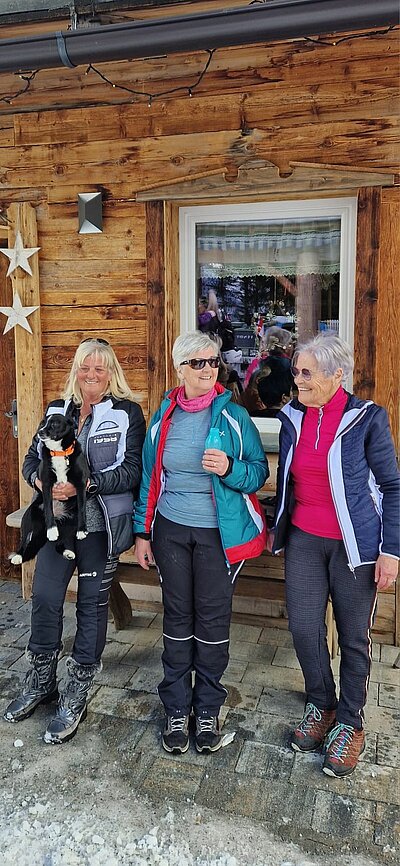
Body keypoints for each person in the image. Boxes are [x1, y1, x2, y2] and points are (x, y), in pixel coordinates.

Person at [4, 338, 146, 743]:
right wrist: (39, 480)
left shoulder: (126, 413)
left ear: (111, 372)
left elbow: (133, 470)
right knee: (46, 596)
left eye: (100, 368)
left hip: (100, 526)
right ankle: (42, 679)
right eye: (86, 366)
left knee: (91, 605)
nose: (91, 375)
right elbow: (33, 458)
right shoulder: (56, 409)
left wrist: (88, 483)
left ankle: (77, 689)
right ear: (76, 369)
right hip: (57, 522)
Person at [270, 333, 399, 777]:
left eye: (307, 372)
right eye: (297, 371)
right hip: (305, 538)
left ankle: (350, 722)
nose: (298, 379)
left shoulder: (366, 419)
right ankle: (321, 704)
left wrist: (391, 552)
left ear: (336, 374)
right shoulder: (291, 417)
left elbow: (392, 487)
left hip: (355, 545)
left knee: (353, 638)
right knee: (305, 628)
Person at [134, 330, 268, 754]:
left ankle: (207, 707)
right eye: (198, 363)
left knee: (211, 621)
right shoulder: (163, 417)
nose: (209, 369)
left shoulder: (235, 417)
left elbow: (258, 473)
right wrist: (142, 532)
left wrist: (229, 468)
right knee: (176, 618)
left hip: (218, 533)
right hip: (171, 529)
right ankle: (177, 707)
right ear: (180, 369)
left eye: (213, 362)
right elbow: (148, 480)